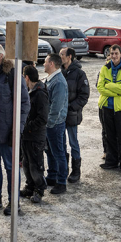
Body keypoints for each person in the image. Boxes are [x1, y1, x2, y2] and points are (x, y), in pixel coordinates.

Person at [0, 43, 30, 213]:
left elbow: (24, 102)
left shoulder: (12, 74)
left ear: (1, 56)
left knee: (11, 167)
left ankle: (13, 201)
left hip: (7, 132)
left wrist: (18, 129)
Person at [97, 45, 121, 174]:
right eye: (112, 53)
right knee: (109, 135)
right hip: (106, 107)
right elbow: (100, 87)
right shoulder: (105, 68)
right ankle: (112, 161)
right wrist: (116, 90)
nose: (113, 56)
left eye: (116, 53)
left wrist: (109, 86)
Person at [60, 47, 89, 183]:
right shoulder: (59, 71)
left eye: (62, 54)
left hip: (71, 114)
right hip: (59, 115)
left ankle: (76, 171)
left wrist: (72, 107)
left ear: (69, 56)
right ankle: (63, 169)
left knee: (73, 142)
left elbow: (84, 95)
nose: (60, 57)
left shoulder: (79, 74)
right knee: (61, 143)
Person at [21, 65, 49, 203]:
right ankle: (30, 187)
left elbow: (43, 118)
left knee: (36, 164)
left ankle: (39, 189)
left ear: (27, 77)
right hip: (27, 135)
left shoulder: (40, 93)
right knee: (26, 163)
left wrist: (27, 127)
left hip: (35, 135)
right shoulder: (30, 91)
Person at [44, 53, 69, 191]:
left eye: (46, 62)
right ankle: (52, 176)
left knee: (58, 152)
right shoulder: (52, 79)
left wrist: (49, 123)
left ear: (52, 64)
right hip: (51, 123)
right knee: (50, 151)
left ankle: (61, 182)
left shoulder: (58, 82)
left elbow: (56, 107)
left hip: (54, 124)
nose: (43, 64)